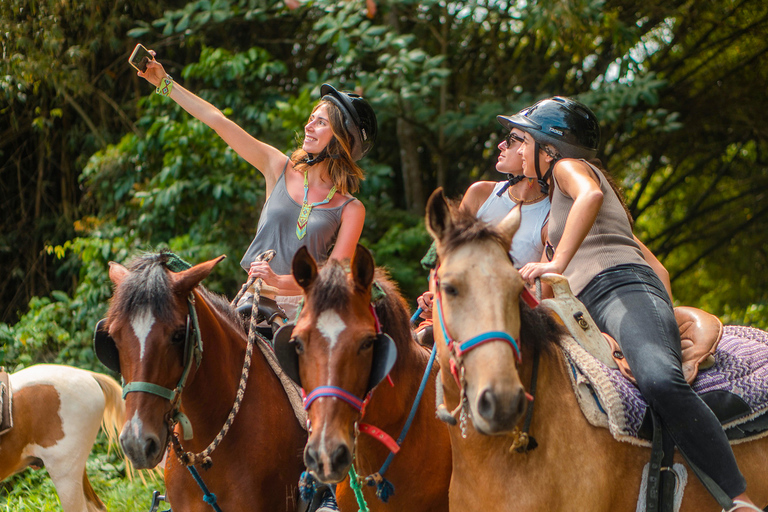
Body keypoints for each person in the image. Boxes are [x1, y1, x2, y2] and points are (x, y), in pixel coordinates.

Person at [510, 96, 757, 512]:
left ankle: (738, 499)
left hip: (623, 288)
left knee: (660, 380)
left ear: (550, 149)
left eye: (524, 140)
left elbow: (588, 196)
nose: (516, 149)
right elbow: (661, 269)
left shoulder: (572, 169)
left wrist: (557, 262)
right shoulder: (555, 216)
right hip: (587, 309)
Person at [137, 51, 377, 322]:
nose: (309, 126)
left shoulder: (351, 208)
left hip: (308, 317)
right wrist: (164, 83)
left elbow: (333, 277)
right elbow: (218, 121)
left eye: (321, 122)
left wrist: (279, 280)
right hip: (253, 301)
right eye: (311, 118)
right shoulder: (278, 166)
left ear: (342, 139)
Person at [416, 109, 550, 320]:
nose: (501, 145)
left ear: (536, 151)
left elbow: (542, 294)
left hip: (511, 319)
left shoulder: (551, 216)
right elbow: (445, 257)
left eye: (513, 140)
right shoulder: (480, 193)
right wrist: (434, 295)